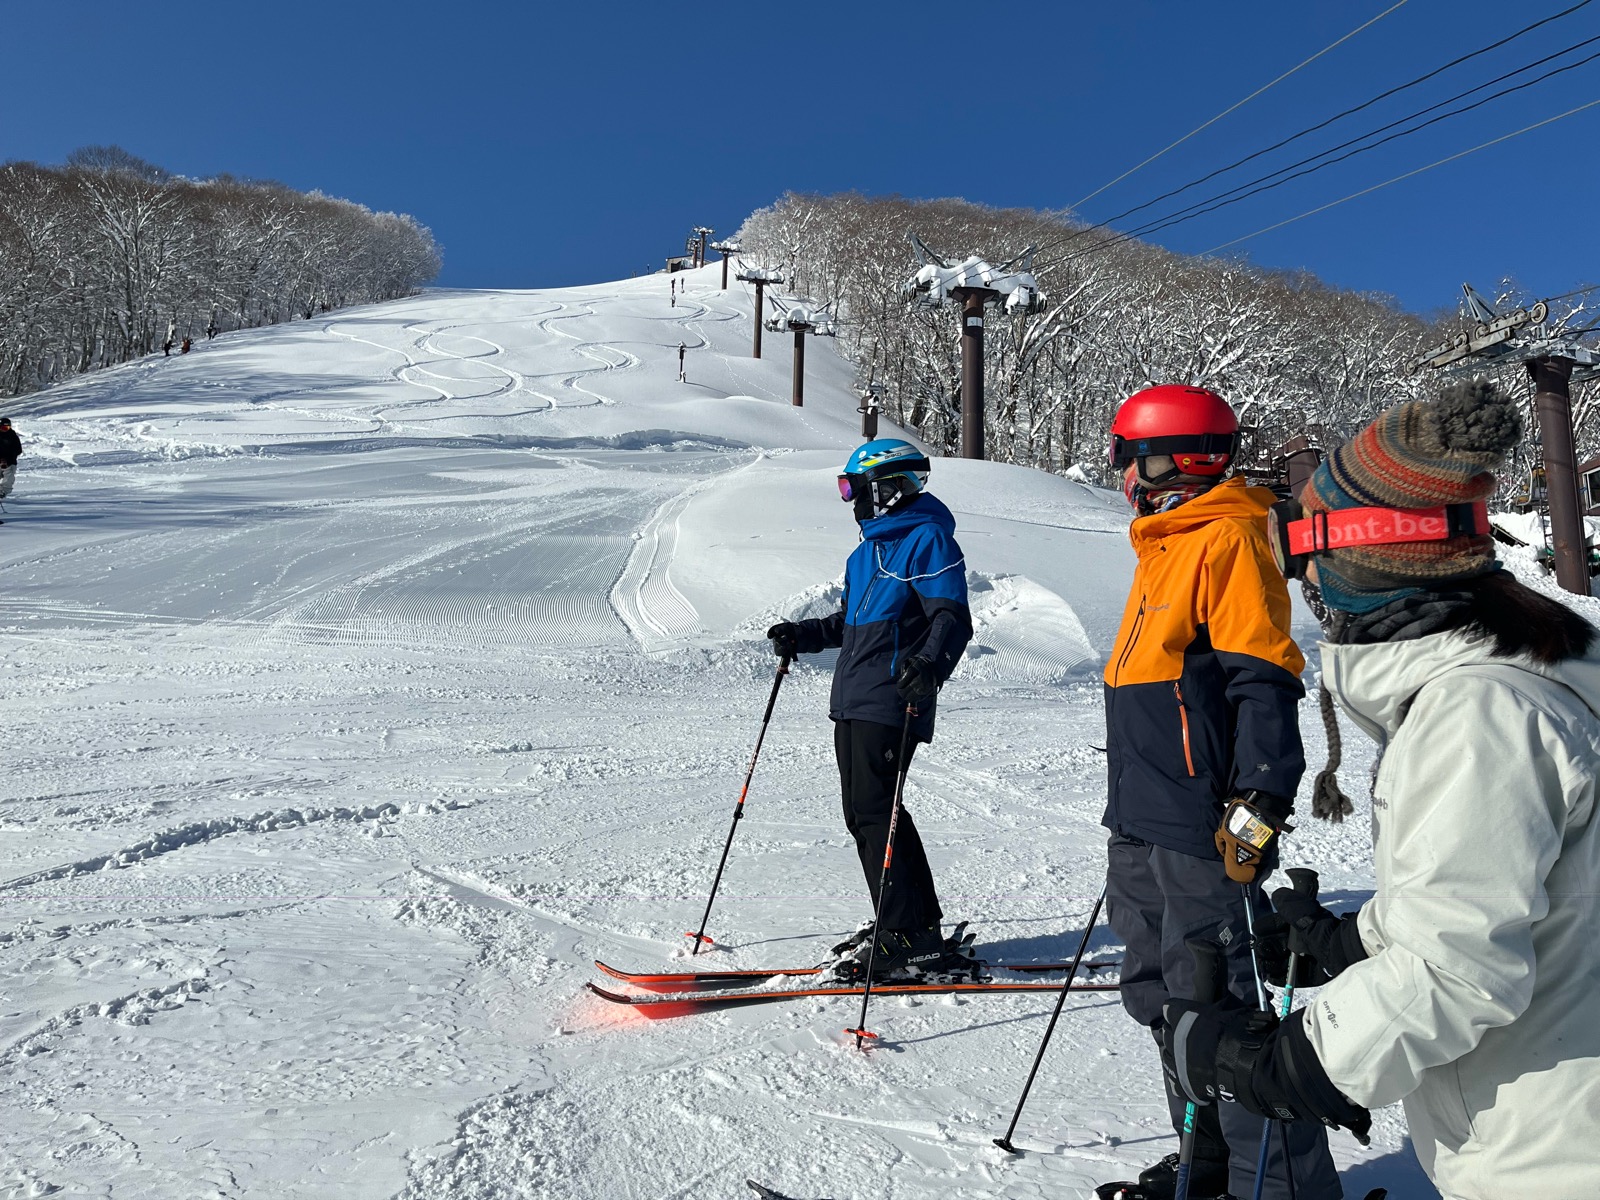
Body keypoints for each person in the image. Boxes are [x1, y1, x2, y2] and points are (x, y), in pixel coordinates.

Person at [1163, 379, 1600, 1200]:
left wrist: (1275, 1063)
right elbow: (1510, 895)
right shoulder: (1541, 667)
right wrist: (1352, 942)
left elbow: (1457, 971)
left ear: (1358, 552)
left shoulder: (1479, 713)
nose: (1306, 587)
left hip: (1557, 1154)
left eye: (1304, 555)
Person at [1098, 384, 1340, 1200]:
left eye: (1126, 456)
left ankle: (1276, 1185)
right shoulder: (1164, 544)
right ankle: (1207, 1164)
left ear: (1166, 460)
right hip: (1141, 815)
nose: (1121, 473)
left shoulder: (1229, 538)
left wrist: (1263, 797)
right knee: (1162, 999)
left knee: (1224, 1006)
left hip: (1200, 822)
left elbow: (1262, 675)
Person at [765, 439, 974, 981]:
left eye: (852, 489)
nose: (849, 501)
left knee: (878, 810)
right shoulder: (865, 555)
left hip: (893, 697)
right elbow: (848, 625)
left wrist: (930, 665)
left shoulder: (926, 539)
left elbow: (951, 616)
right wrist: (802, 635)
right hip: (855, 698)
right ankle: (904, 922)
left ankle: (911, 934)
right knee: (863, 813)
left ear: (885, 488)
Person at [0, 416, 20, 513]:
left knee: (9, 477)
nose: (5, 430)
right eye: (3, 428)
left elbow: (18, 449)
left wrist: (9, 458)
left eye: (7, 428)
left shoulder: (12, 436)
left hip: (9, 462)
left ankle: (3, 492)